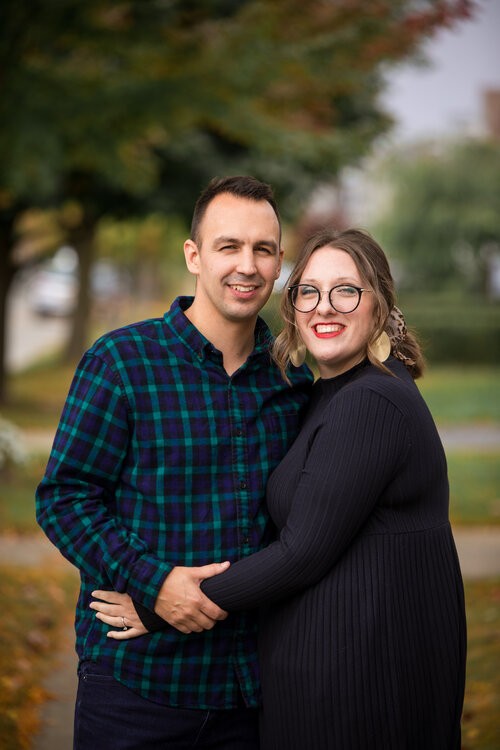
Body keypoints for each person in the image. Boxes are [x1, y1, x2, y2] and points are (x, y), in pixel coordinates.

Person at [95, 228, 467, 750]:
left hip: (361, 683)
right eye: (308, 291)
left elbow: (301, 552)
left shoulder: (371, 402)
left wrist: (163, 602)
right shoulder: (324, 392)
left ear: (380, 303)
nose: (324, 307)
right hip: (331, 670)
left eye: (346, 290)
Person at [36, 175, 313, 750]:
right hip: (136, 688)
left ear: (279, 262)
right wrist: (153, 583)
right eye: (228, 246)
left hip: (254, 694)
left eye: (263, 249)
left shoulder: (293, 382)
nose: (247, 265)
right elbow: (64, 499)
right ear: (194, 255)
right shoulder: (122, 362)